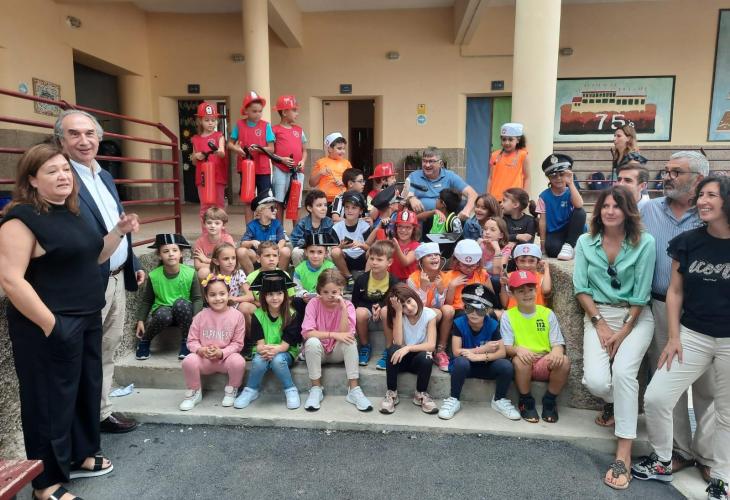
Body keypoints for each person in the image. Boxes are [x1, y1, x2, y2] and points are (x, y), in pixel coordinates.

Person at [0, 142, 139, 500]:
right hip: (48, 325)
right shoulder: (20, 219)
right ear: (32, 179)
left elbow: (95, 256)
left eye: (65, 169)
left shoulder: (73, 210)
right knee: (49, 402)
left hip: (87, 317)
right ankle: (45, 484)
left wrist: (118, 231)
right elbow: (11, 280)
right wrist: (51, 325)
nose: (63, 176)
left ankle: (80, 455)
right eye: (52, 171)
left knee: (83, 391)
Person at [632, 177, 730, 500]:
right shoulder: (687, 241)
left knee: (726, 412)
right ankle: (663, 459)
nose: (702, 201)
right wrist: (674, 337)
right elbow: (675, 292)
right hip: (693, 335)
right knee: (657, 397)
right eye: (701, 195)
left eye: (711, 195)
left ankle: (722, 478)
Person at [55, 109, 144, 434]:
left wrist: (132, 262)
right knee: (85, 354)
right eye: (74, 134)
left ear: (99, 138)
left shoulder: (103, 175)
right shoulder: (64, 179)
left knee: (107, 348)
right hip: (88, 281)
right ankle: (82, 424)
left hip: (116, 275)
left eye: (89, 133)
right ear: (61, 141)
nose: (84, 140)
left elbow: (116, 221)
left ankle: (101, 412)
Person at [573, 185, 656, 490]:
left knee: (623, 374)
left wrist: (623, 331)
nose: (610, 211)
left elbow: (642, 294)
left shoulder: (645, 242)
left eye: (617, 206)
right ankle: (615, 403)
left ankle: (623, 454)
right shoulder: (585, 241)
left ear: (628, 211)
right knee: (596, 381)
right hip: (598, 315)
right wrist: (600, 324)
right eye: (605, 206)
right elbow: (581, 288)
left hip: (635, 316)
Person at [639, 150, 714, 481]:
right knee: (668, 381)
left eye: (675, 172)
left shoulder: (711, 214)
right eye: (666, 170)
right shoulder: (648, 209)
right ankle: (680, 450)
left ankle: (709, 456)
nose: (666, 176)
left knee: (708, 388)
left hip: (705, 313)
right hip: (659, 307)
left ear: (697, 179)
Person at [439, 284, 518, 421]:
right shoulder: (459, 323)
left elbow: (502, 353)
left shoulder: (492, 324)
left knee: (506, 366)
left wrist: (479, 357)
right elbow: (456, 352)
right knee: (460, 362)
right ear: (464, 308)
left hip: (486, 366)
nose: (474, 314)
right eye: (469, 308)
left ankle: (499, 399)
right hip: (466, 367)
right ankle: (454, 398)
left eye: (480, 310)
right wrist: (481, 350)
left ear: (487, 311)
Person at [502, 271, 570, 424]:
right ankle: (526, 400)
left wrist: (557, 352)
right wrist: (518, 349)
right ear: (512, 294)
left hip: (545, 359)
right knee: (521, 361)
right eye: (521, 291)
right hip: (523, 361)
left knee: (564, 361)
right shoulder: (508, 315)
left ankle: (550, 400)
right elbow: (507, 347)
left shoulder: (547, 313)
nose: (527, 294)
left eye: (531, 289)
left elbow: (557, 342)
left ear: (536, 290)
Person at [301, 269, 374, 412]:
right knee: (312, 342)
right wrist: (333, 335)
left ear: (341, 290)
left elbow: (346, 333)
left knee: (350, 341)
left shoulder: (348, 305)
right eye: (325, 292)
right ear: (319, 291)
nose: (330, 296)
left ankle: (354, 389)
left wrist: (343, 308)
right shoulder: (313, 303)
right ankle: (316, 388)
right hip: (319, 352)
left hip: (337, 352)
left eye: (334, 292)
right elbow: (307, 333)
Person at [234, 270, 303, 410]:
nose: (275, 298)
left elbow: (285, 346)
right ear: (264, 296)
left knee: (277, 360)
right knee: (259, 361)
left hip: (285, 351)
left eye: (279, 293)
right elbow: (260, 345)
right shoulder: (258, 315)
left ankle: (290, 389)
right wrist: (267, 350)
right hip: (264, 350)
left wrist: (275, 350)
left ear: (285, 294)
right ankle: (251, 390)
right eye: (270, 294)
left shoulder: (291, 314)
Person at [179, 274, 246, 411]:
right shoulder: (200, 316)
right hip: (205, 359)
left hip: (225, 359)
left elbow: (237, 343)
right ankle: (194, 391)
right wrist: (200, 350)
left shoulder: (237, 316)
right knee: (188, 361)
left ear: (229, 294)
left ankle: (232, 388)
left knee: (238, 361)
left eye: (222, 294)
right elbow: (192, 340)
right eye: (212, 295)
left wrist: (222, 352)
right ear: (206, 297)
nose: (218, 298)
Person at [135, 234, 204, 361]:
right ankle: (145, 341)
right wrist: (141, 320)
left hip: (184, 314)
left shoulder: (190, 273)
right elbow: (147, 300)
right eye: (166, 251)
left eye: (174, 250)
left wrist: (196, 316)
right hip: (163, 314)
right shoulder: (154, 275)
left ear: (181, 253)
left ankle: (186, 342)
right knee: (164, 314)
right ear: (159, 255)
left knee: (180, 303)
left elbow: (197, 298)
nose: (171, 254)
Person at [379, 284, 439, 415]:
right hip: (401, 359)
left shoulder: (429, 314)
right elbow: (398, 342)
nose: (409, 308)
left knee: (427, 355)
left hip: (419, 359)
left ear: (415, 297)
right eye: (403, 306)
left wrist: (409, 348)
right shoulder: (399, 316)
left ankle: (421, 393)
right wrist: (398, 312)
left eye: (409, 301)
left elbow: (431, 345)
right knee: (392, 349)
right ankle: (392, 393)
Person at [228, 91, 275, 223]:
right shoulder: (239, 125)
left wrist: (259, 149)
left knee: (265, 200)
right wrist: (236, 149)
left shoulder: (266, 125)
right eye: (254, 111)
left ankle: (265, 226)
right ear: (246, 111)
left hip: (263, 169)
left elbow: (271, 148)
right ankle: (249, 229)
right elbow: (229, 144)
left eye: (260, 111)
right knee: (248, 199)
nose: (258, 114)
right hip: (246, 168)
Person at [353, 240, 398, 365]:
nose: (374, 262)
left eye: (379, 259)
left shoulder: (394, 281)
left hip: (385, 311)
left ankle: (389, 348)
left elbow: (395, 301)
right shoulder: (361, 279)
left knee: (385, 311)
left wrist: (381, 306)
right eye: (372, 258)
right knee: (359, 312)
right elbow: (355, 302)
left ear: (389, 262)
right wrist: (372, 307)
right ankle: (365, 346)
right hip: (367, 310)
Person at [404, 146, 477, 221]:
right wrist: (411, 198)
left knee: (463, 205)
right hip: (422, 219)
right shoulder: (414, 176)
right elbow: (406, 194)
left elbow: (472, 194)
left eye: (431, 161)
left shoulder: (449, 176)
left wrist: (466, 210)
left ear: (441, 164)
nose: (427, 165)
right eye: (424, 161)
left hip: (445, 218)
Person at [536, 153, 586, 260]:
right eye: (553, 175)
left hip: (573, 229)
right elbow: (542, 221)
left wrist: (571, 183)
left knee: (580, 212)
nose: (558, 178)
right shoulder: (543, 196)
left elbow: (579, 204)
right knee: (552, 250)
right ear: (548, 177)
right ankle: (573, 247)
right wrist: (542, 245)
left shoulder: (571, 191)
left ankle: (570, 245)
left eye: (562, 174)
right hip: (555, 232)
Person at [190, 101, 227, 229]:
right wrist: (196, 156)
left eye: (213, 120)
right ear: (200, 121)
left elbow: (222, 153)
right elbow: (194, 161)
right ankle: (205, 232)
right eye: (207, 120)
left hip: (218, 177)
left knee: (219, 205)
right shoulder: (195, 139)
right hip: (203, 179)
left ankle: (221, 232)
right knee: (205, 206)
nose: (210, 123)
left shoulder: (219, 136)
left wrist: (218, 151)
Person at [271, 94, 307, 222]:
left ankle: (296, 230)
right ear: (284, 112)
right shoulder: (274, 130)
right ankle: (279, 230)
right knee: (279, 201)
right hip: (280, 170)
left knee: (296, 201)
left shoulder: (299, 130)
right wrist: (282, 159)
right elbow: (270, 152)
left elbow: (304, 150)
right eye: (294, 110)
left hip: (297, 171)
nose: (297, 113)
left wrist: (302, 161)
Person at [237, 190, 291, 274]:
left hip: (273, 256)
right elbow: (243, 243)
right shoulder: (252, 225)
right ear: (261, 210)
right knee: (241, 251)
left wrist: (274, 250)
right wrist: (251, 242)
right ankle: (252, 278)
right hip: (257, 256)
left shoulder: (277, 224)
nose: (275, 210)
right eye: (272, 208)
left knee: (286, 250)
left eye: (276, 208)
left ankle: (279, 276)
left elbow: (282, 241)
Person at [330, 190, 372, 290]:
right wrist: (341, 246)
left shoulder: (365, 226)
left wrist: (361, 245)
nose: (349, 210)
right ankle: (349, 278)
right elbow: (333, 250)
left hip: (362, 257)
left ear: (360, 211)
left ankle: (366, 280)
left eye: (354, 208)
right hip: (346, 258)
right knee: (335, 251)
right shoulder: (336, 227)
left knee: (373, 252)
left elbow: (370, 248)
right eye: (347, 207)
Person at [486, 122, 530, 201]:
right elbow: (490, 178)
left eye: (510, 139)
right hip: (494, 199)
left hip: (514, 200)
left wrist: (525, 200)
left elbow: (527, 178)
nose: (507, 142)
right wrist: (488, 197)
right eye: (504, 139)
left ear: (518, 140)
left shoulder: (523, 155)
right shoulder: (494, 155)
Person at [290, 189, 334, 266]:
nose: (324, 208)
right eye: (319, 205)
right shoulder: (302, 223)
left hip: (323, 251)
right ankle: (301, 272)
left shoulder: (329, 222)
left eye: (325, 205)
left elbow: (332, 241)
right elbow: (294, 241)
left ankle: (327, 272)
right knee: (296, 252)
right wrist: (308, 243)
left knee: (333, 251)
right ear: (310, 208)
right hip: (308, 251)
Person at [502, 243, 552, 309]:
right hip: (514, 313)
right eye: (522, 261)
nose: (526, 265)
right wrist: (503, 285)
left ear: (538, 262)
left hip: (536, 313)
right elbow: (504, 303)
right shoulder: (509, 276)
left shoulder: (541, 277)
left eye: (531, 261)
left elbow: (546, 290)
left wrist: (546, 268)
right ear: (516, 262)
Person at [309, 132, 351, 207]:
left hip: (343, 199)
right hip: (324, 200)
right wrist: (320, 173)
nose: (342, 151)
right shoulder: (320, 162)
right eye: (339, 148)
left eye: (344, 148)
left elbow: (352, 182)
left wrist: (343, 182)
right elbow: (312, 183)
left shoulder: (347, 163)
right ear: (330, 149)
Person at [209, 242, 255, 311]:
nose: (231, 262)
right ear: (216, 261)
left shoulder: (238, 274)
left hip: (236, 307)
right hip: (220, 306)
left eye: (233, 258)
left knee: (245, 307)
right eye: (226, 259)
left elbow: (250, 296)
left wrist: (234, 299)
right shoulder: (213, 277)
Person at [193, 207, 235, 279]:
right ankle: (207, 287)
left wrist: (206, 260)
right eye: (209, 223)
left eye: (217, 223)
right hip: (210, 271)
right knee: (203, 272)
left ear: (223, 225)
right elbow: (197, 265)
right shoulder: (199, 242)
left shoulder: (227, 239)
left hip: (226, 272)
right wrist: (218, 265)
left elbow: (230, 262)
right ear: (204, 224)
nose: (212, 226)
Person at [293, 232, 337, 299]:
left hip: (325, 299)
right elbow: (297, 289)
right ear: (306, 252)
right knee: (297, 300)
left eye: (320, 252)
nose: (315, 256)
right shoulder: (299, 270)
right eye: (312, 252)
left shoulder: (331, 267)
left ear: (326, 253)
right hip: (306, 300)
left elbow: (336, 287)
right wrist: (304, 294)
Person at [388, 209, 420, 281]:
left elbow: (405, 262)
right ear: (396, 227)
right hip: (391, 279)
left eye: (408, 227)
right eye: (400, 226)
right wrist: (379, 228)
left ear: (414, 229)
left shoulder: (416, 245)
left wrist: (396, 247)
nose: (403, 230)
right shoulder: (390, 242)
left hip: (408, 281)